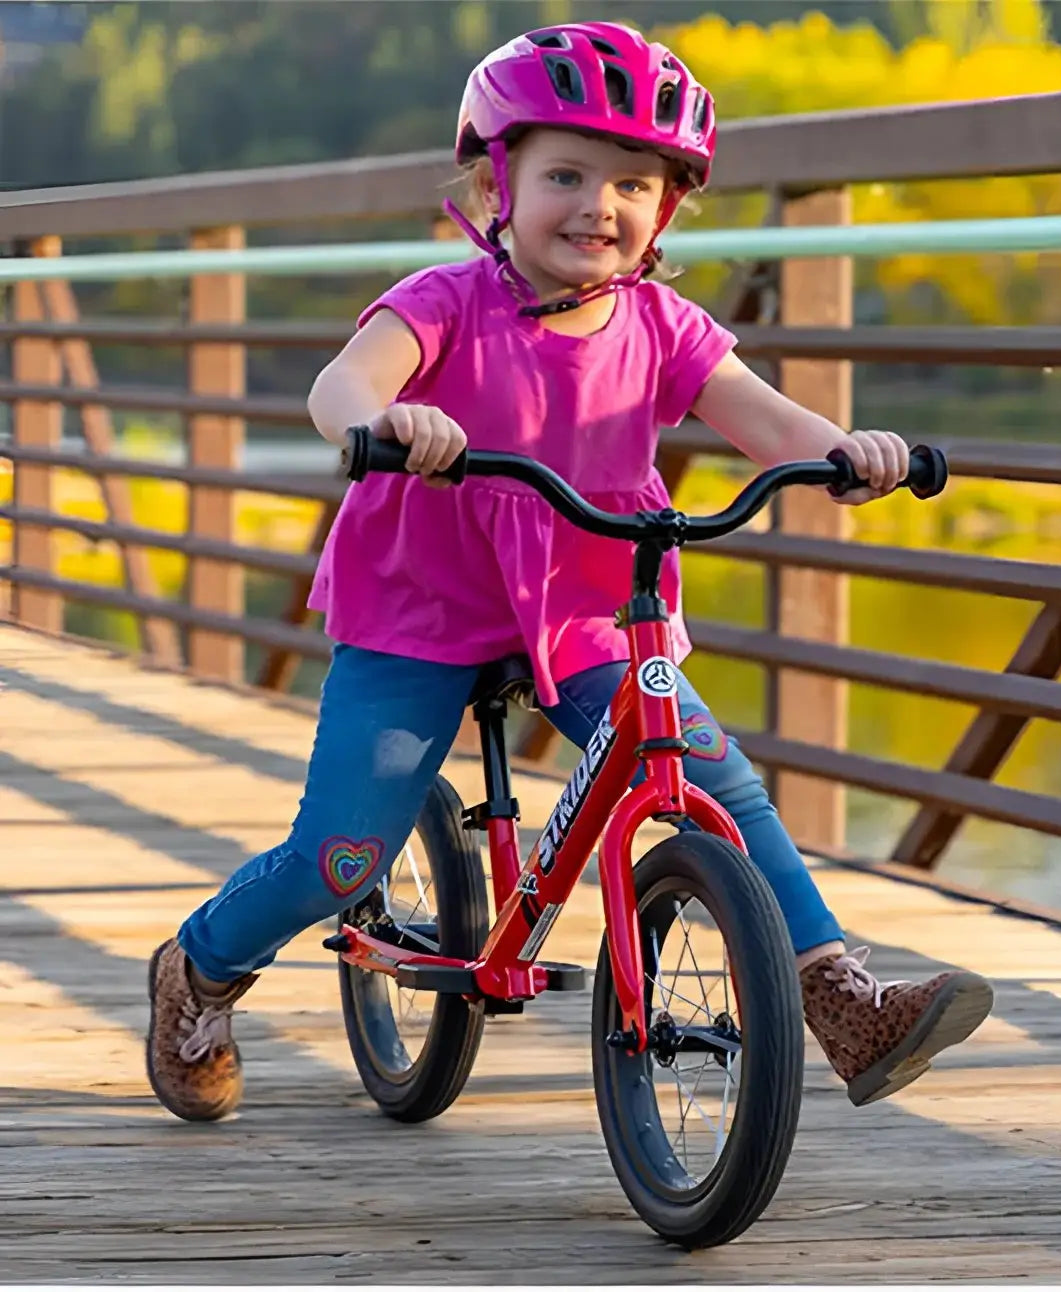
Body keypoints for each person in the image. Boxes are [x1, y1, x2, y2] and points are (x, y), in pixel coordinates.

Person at [146, 21, 993, 1123]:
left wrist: (842, 454)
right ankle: (198, 969)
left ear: (666, 209)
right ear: (497, 181)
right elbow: (340, 384)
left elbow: (765, 417)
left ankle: (836, 998)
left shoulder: (663, 322)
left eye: (632, 184)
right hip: (419, 604)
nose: (599, 205)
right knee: (344, 851)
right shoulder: (446, 301)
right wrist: (386, 417)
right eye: (564, 174)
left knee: (718, 779)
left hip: (591, 601)